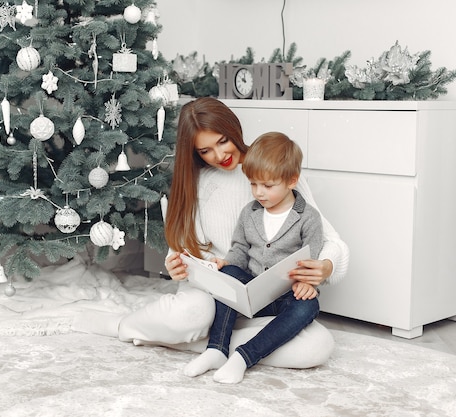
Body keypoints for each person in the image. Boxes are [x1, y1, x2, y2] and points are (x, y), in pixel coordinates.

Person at [75, 97, 349, 370]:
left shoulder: (278, 168)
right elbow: (185, 249)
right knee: (192, 313)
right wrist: (179, 263)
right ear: (195, 153)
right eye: (206, 151)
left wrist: (326, 266)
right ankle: (129, 327)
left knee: (318, 346)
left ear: (233, 129)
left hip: (268, 300)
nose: (220, 156)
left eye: (222, 141)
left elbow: (330, 241)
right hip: (215, 293)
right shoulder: (200, 184)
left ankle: (212, 345)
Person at [183, 132, 322, 384]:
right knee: (227, 274)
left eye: (268, 186)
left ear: (292, 181)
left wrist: (308, 284)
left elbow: (312, 258)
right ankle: (216, 349)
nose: (259, 192)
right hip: (251, 293)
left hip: (286, 296)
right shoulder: (249, 213)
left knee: (309, 306)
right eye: (253, 184)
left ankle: (243, 357)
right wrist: (226, 265)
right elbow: (238, 249)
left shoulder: (308, 217)